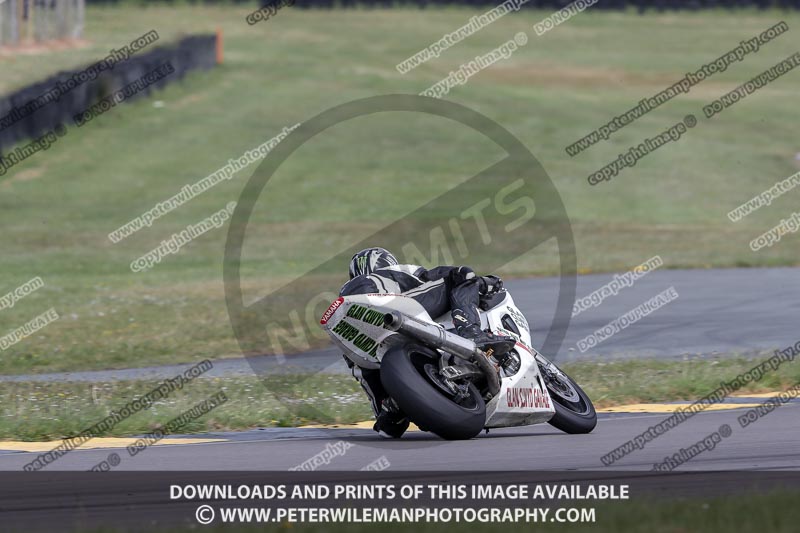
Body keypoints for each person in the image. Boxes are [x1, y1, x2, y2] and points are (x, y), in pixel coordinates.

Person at [339, 247, 514, 438]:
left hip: (371, 337)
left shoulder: (347, 308)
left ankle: (391, 409)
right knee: (462, 274)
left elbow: (363, 374)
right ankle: (470, 330)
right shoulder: (393, 273)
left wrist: (384, 413)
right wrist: (483, 282)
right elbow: (433, 275)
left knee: (385, 418)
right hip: (395, 309)